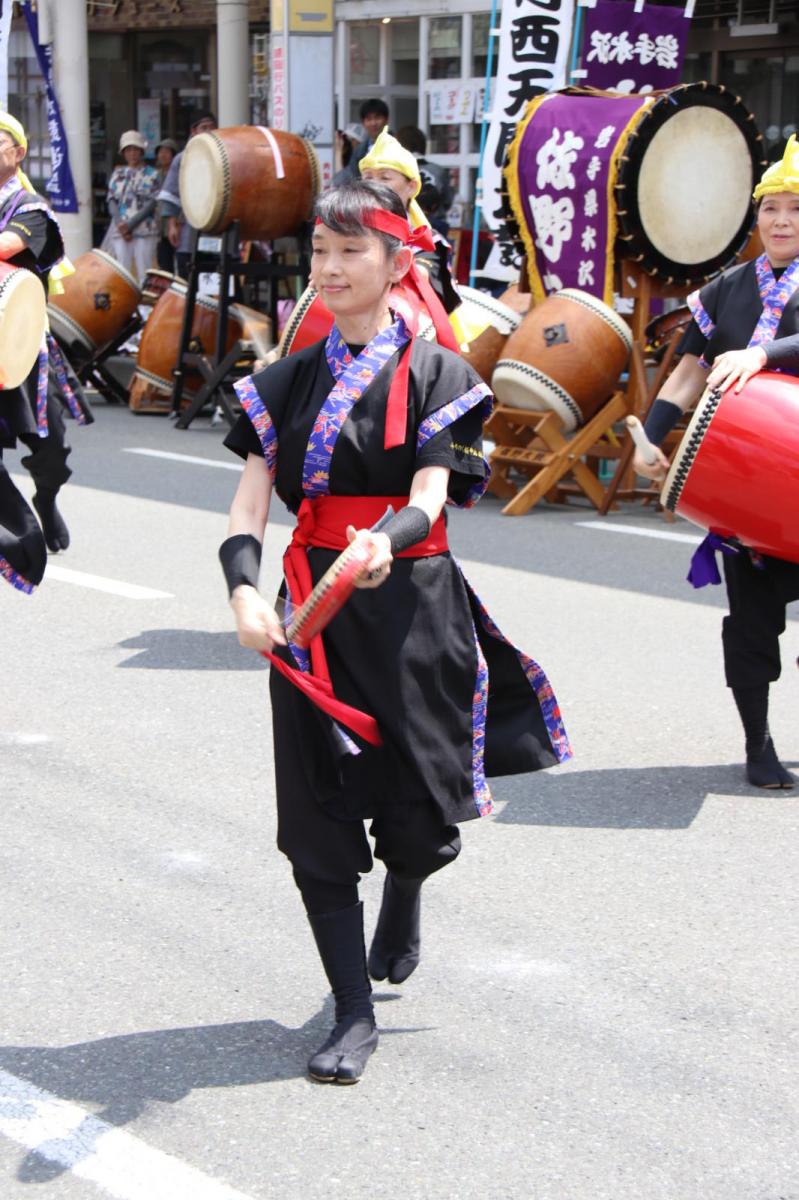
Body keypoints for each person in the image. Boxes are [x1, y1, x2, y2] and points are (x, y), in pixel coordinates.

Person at [218, 180, 571, 1084]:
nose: (330, 270)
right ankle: (350, 1013)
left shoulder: (438, 374)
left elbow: (429, 498)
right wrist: (243, 593)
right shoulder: (284, 378)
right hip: (311, 612)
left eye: (351, 253)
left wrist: (385, 541)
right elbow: (252, 498)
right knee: (314, 815)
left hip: (412, 603)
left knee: (420, 810)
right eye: (320, 254)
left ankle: (407, 884)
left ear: (395, 263)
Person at [634, 134, 799, 790]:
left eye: (795, 208)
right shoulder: (726, 290)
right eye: (771, 209)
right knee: (751, 624)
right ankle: (756, 743)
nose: (782, 220)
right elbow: (687, 375)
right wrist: (650, 439)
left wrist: (764, 354)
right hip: (750, 482)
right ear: (753, 218)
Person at [0, 110, 91, 565]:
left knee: (52, 447)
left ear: (17, 153)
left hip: (22, 348)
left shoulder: (30, 210)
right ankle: (18, 541)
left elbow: (5, 248)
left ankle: (47, 497)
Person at [158, 110, 217, 279]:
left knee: (219, 282)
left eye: (212, 128)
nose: (208, 132)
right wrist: (172, 224)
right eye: (204, 128)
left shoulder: (226, 156)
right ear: (194, 131)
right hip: (190, 227)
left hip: (217, 229)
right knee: (188, 282)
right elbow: (171, 194)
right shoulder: (182, 158)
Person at [105, 130, 161, 283]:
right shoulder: (118, 173)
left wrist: (130, 225)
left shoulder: (152, 174)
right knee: (122, 272)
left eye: (135, 149)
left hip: (144, 228)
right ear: (123, 152)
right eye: (128, 150)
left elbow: (152, 203)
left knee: (145, 271)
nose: (132, 153)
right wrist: (120, 224)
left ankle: (144, 307)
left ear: (141, 151)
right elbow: (111, 199)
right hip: (121, 229)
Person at [396, 125, 455, 238]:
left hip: (407, 230)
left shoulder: (398, 172)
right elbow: (447, 200)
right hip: (437, 229)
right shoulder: (439, 171)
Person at [346, 99, 389, 179]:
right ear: (363, 122)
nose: (373, 123)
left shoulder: (398, 146)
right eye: (369, 119)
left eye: (377, 118)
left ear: (386, 120)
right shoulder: (359, 151)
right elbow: (353, 177)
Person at [154, 137, 178, 272]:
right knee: (164, 263)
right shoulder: (155, 175)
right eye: (160, 152)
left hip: (176, 224)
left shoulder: (179, 173)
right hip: (160, 226)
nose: (163, 155)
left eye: (167, 152)